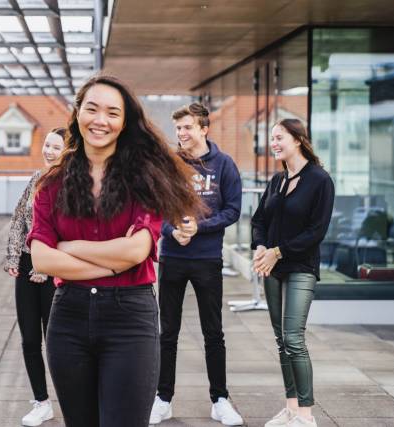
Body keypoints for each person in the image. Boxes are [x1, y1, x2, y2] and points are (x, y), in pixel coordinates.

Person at [26, 75, 207, 427]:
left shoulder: (145, 178)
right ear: (77, 113)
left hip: (130, 319)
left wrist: (72, 247)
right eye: (92, 109)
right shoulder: (52, 183)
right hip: (69, 319)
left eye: (112, 112)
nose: (100, 120)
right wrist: (113, 261)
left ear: (125, 122)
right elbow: (42, 259)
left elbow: (137, 250)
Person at [149, 103, 244, 426]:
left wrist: (197, 229)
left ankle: (220, 399)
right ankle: (163, 399)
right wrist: (172, 230)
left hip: (207, 259)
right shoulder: (170, 164)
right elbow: (156, 208)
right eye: (178, 129)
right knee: (168, 333)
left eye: (187, 127)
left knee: (213, 333)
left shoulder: (225, 165)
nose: (181, 134)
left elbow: (233, 210)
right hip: (173, 258)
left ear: (204, 129)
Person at [251, 119, 334, 427]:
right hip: (272, 266)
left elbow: (317, 231)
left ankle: (306, 415)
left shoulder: (320, 180)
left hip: (300, 267)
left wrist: (278, 251)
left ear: (298, 139)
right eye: (271, 137)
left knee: (294, 338)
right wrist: (260, 247)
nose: (274, 142)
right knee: (280, 339)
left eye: (279, 137)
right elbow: (259, 220)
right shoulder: (277, 180)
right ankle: (290, 408)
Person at [4, 127, 65, 426]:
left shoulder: (72, 186)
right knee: (29, 339)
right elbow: (18, 219)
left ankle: (73, 399)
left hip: (55, 271)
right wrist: (14, 257)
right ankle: (41, 401)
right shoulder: (35, 179)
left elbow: (65, 232)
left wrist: (45, 267)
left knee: (58, 342)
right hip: (27, 268)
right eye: (47, 145)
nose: (49, 151)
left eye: (56, 147)